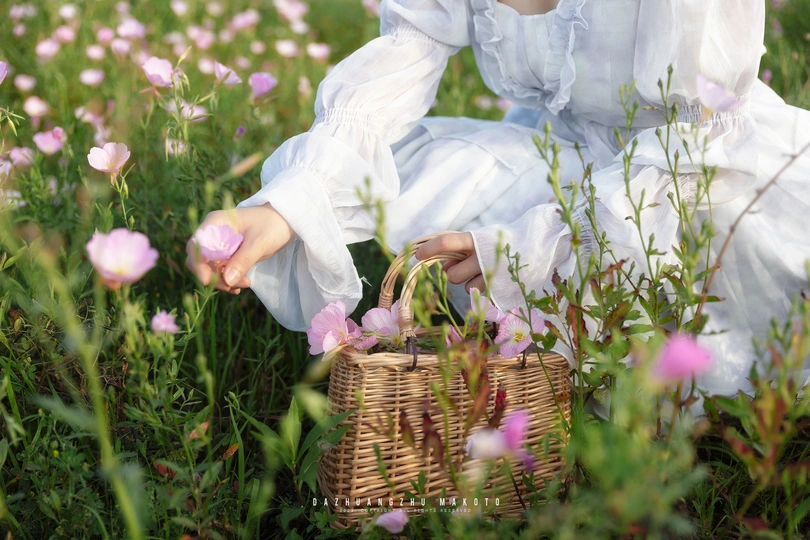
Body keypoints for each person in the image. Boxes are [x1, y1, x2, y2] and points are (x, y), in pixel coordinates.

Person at [186, 0, 810, 399]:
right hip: (571, 155)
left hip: (697, 187)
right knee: (419, 164)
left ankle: (582, 366)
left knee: (688, 349)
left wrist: (535, 246)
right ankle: (529, 353)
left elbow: (698, 141)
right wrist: (285, 204)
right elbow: (398, 66)